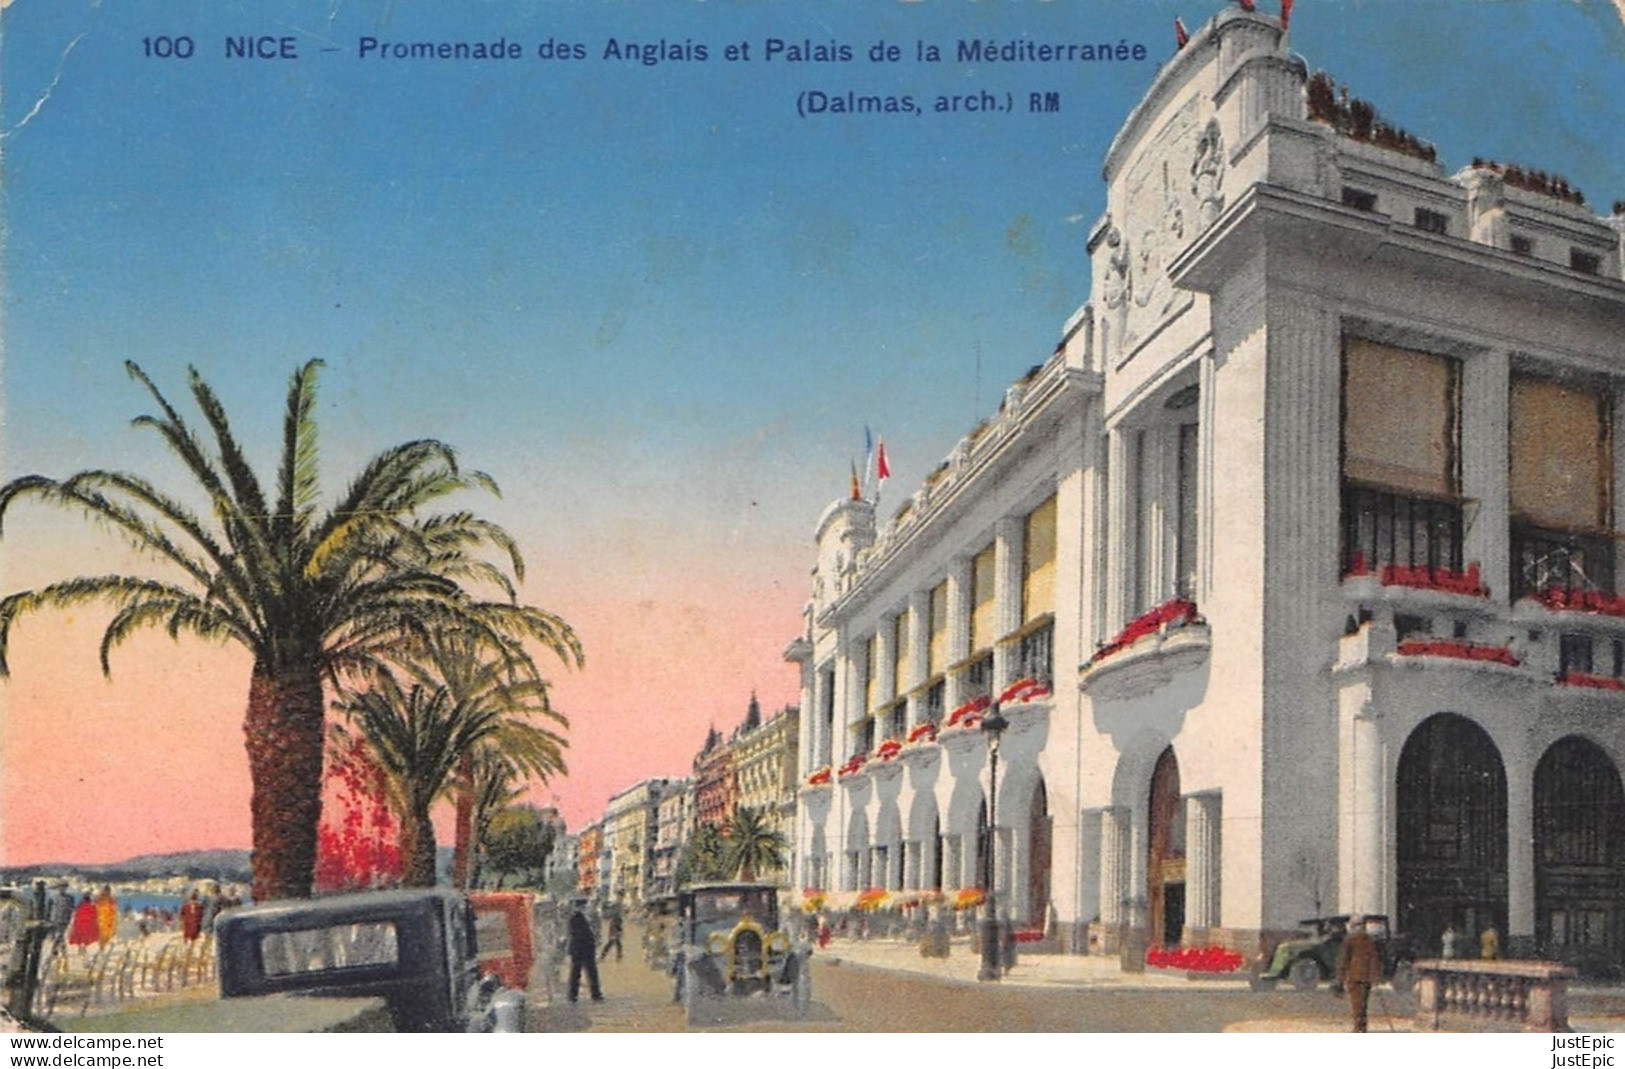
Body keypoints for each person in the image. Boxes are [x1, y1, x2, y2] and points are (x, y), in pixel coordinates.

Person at [1337, 914, 1383, 1033]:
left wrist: (1340, 981)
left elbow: (1344, 961)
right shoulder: (1369, 940)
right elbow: (1374, 959)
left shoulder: (1349, 940)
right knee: (1363, 1004)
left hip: (1354, 977)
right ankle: (1362, 1027)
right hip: (1366, 977)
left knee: (1356, 1005)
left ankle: (1358, 1028)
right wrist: (1375, 977)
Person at [566, 902, 603, 1003]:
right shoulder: (576, 918)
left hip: (584, 949)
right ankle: (574, 995)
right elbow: (576, 934)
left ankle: (594, 994)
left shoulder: (587, 917)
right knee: (578, 972)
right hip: (580, 948)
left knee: (589, 972)